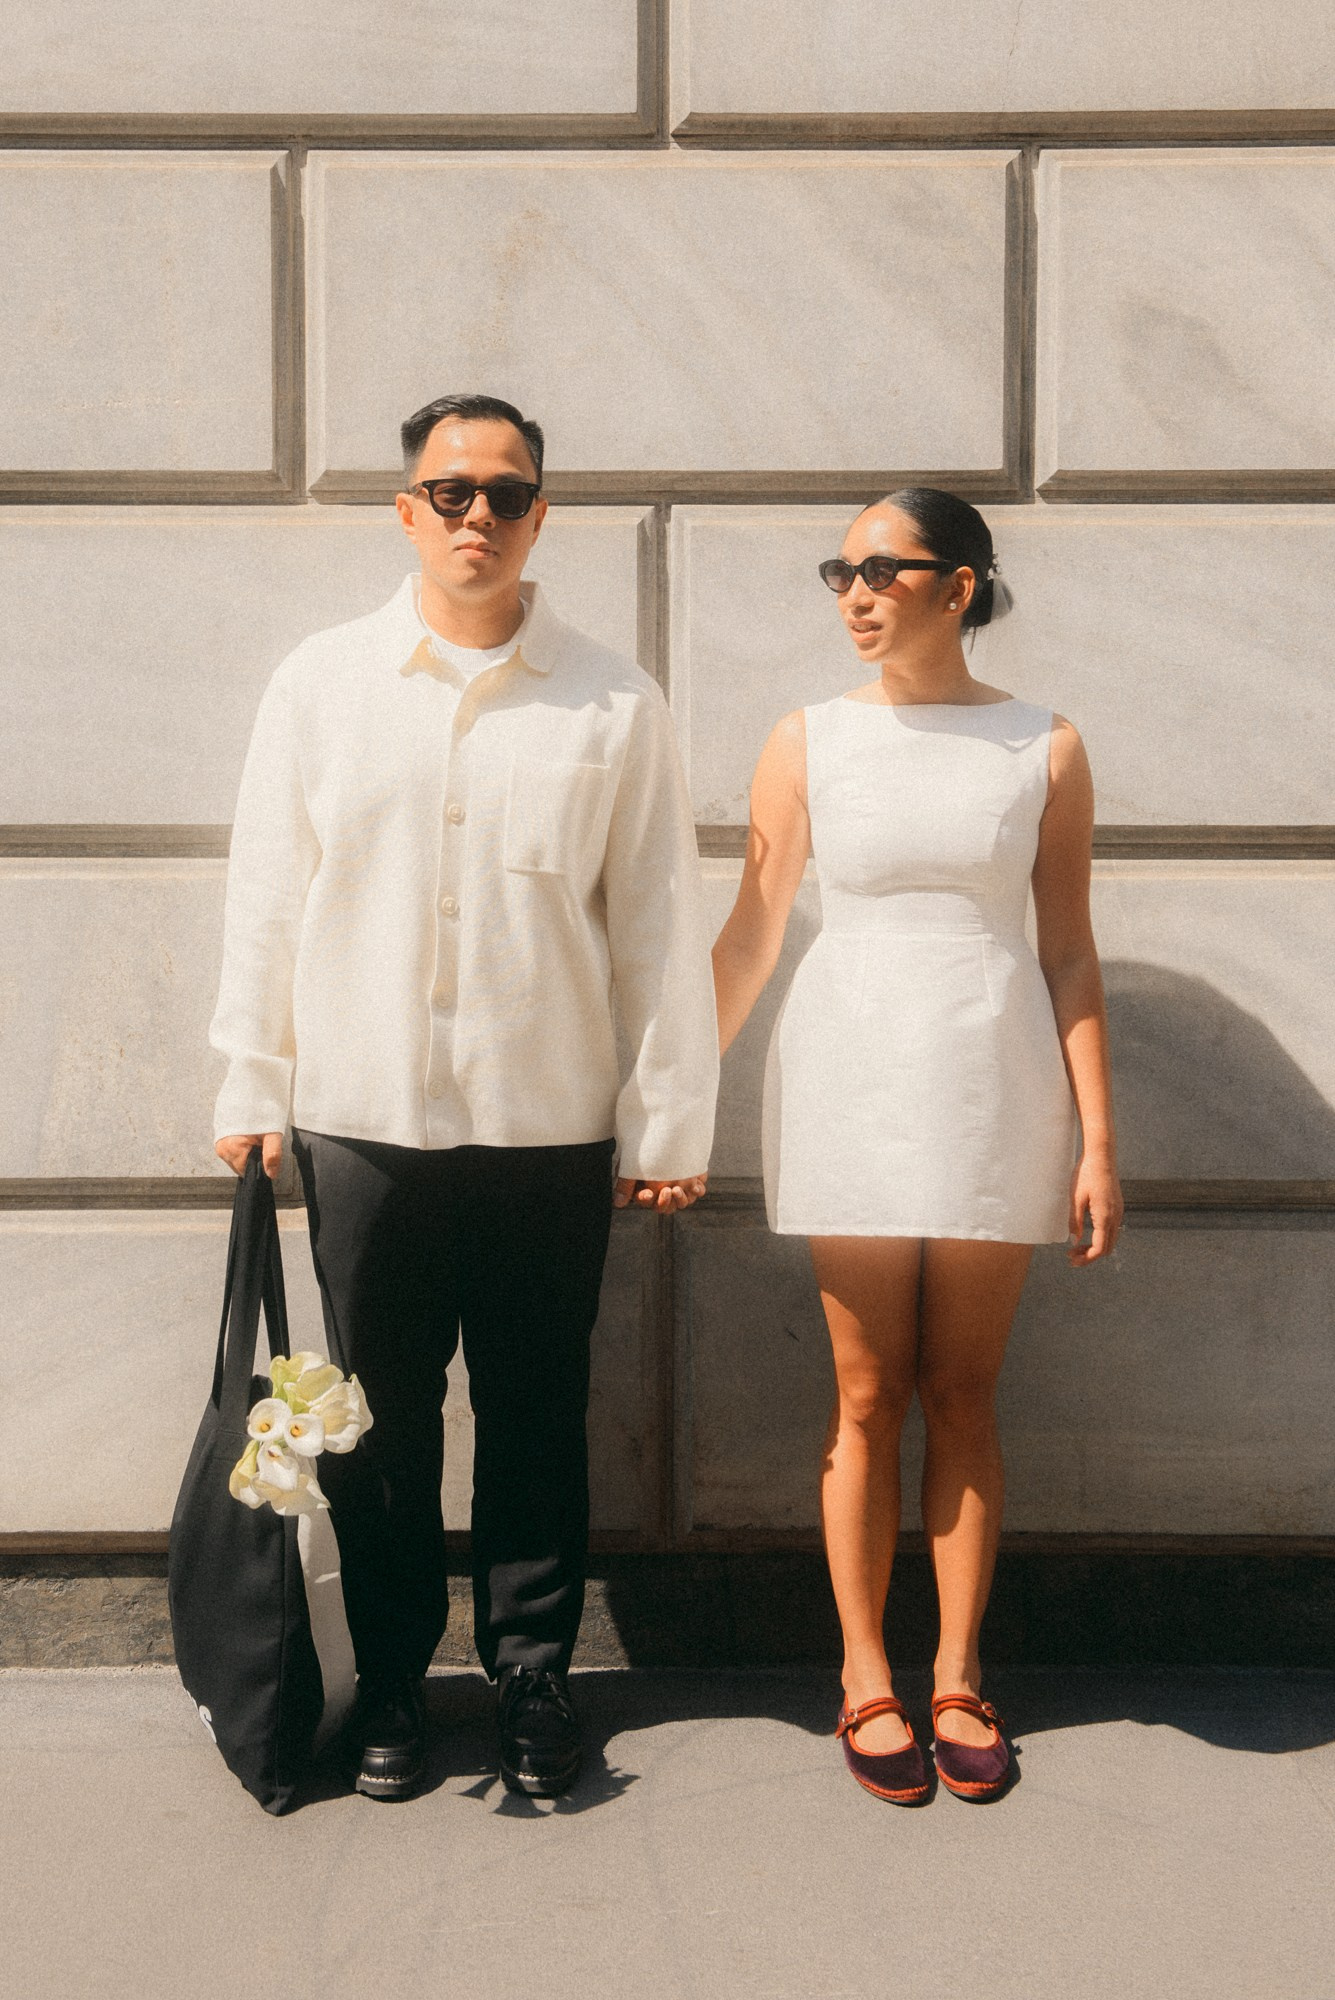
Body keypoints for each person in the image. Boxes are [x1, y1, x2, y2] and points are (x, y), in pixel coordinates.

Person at [211, 393, 717, 1800]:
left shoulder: (614, 700)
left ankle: (535, 1680)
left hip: (548, 1121)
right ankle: (388, 1682)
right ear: (406, 510)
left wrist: (669, 1115)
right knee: (373, 1427)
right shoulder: (321, 683)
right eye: (449, 492)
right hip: (363, 1117)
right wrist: (252, 1078)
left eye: (504, 493)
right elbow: (267, 893)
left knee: (537, 1415)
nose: (475, 515)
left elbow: (660, 918)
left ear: (540, 513)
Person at [711, 488, 1122, 1805]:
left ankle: (957, 1671)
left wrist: (1099, 1140)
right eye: (841, 570)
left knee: (963, 1390)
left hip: (998, 1084)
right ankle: (862, 1673)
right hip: (848, 1080)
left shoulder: (1043, 744)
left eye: (887, 571)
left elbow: (1066, 948)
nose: (857, 594)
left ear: (962, 585)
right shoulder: (809, 738)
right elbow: (754, 931)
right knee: (864, 1394)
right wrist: (670, 1098)